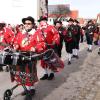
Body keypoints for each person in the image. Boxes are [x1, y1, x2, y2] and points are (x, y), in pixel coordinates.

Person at [13, 16, 46, 96]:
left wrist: (35, 48)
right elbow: (16, 42)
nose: (26, 25)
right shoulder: (21, 33)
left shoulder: (36, 33)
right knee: (22, 73)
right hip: (21, 55)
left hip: (31, 56)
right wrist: (16, 46)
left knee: (30, 73)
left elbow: (42, 43)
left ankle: (32, 89)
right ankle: (26, 88)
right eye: (25, 23)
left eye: (29, 23)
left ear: (32, 24)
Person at [38, 16, 60, 80]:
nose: (40, 22)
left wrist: (54, 41)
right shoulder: (39, 29)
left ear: (45, 21)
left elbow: (56, 34)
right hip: (43, 48)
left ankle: (51, 74)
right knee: (43, 61)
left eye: (41, 21)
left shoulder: (50, 27)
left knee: (51, 61)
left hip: (50, 47)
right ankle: (46, 74)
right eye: (40, 21)